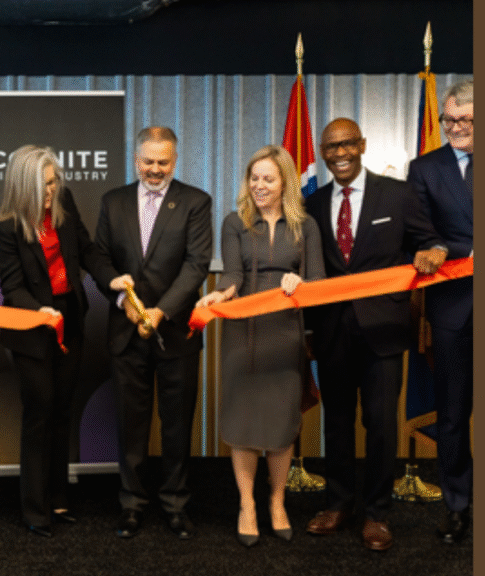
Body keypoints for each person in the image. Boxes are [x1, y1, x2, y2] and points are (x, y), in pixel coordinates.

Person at [304, 118, 448, 551]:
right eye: (331, 147)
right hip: (331, 332)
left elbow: (430, 241)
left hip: (383, 332)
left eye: (347, 143)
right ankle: (339, 503)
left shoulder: (398, 194)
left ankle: (378, 514)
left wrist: (433, 251)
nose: (340, 153)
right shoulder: (313, 203)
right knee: (338, 424)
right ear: (322, 153)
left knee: (382, 424)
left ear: (362, 145)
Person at [0, 145, 131, 538]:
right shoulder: (5, 229)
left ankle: (57, 497)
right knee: (40, 413)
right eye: (42, 185)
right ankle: (34, 508)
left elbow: (87, 250)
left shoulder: (63, 205)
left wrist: (111, 279)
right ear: (23, 186)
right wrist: (39, 311)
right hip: (32, 329)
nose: (50, 192)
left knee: (63, 411)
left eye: (53, 182)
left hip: (70, 319)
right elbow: (13, 287)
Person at [196, 145, 324, 547]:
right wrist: (221, 293)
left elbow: (318, 282)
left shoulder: (307, 226)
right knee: (244, 421)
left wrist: (299, 283)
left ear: (285, 181)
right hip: (242, 334)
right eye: (254, 178)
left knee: (280, 424)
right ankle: (247, 504)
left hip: (285, 334)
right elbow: (232, 275)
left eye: (268, 178)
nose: (259, 186)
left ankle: (277, 502)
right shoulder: (236, 222)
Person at [94, 126, 213, 540]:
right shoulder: (113, 202)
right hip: (125, 333)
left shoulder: (196, 202)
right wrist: (122, 298)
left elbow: (197, 265)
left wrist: (162, 311)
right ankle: (131, 505)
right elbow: (100, 258)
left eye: (164, 161)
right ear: (136, 158)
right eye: (148, 161)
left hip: (176, 332)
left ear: (175, 160)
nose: (156, 169)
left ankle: (176, 505)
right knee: (131, 424)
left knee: (177, 424)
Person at [407, 79, 474, 544]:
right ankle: (457, 507)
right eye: (447, 120)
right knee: (451, 413)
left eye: (464, 120)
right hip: (453, 308)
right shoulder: (425, 168)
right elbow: (421, 233)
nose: (454, 128)